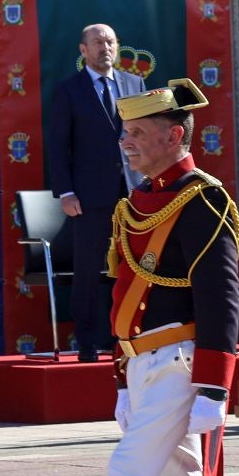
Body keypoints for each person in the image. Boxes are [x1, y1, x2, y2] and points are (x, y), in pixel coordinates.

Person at [0, 79, 239, 476]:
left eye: (137, 133)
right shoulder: (140, 203)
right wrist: (119, 374)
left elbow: (221, 296)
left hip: (181, 365)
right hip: (146, 366)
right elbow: (125, 297)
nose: (125, 143)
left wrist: (214, 385)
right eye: (124, 133)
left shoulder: (202, 199)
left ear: (173, 135)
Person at [46, 23, 143, 361]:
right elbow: (58, 147)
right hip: (89, 196)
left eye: (111, 41)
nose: (106, 47)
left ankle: (133, 338)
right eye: (98, 42)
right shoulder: (69, 90)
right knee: (88, 270)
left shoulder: (134, 84)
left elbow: (146, 137)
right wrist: (66, 193)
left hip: (133, 194)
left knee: (139, 265)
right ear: (83, 50)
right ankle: (87, 343)